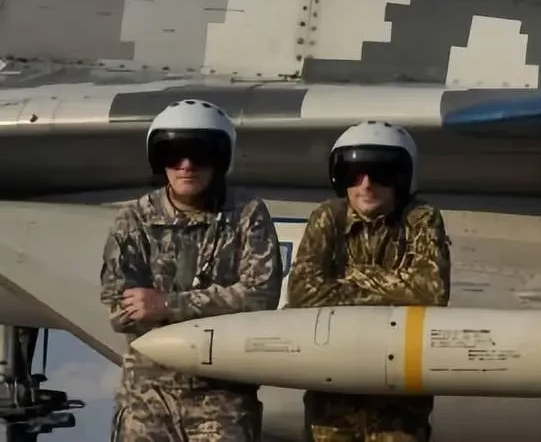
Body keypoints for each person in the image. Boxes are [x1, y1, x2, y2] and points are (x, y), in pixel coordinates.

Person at [99, 99, 283, 441]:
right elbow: (120, 312)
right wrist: (219, 306)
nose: (186, 166)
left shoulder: (247, 215)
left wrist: (168, 304)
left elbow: (260, 296)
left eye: (200, 155)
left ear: (220, 160)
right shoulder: (134, 220)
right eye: (174, 155)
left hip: (222, 399)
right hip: (147, 401)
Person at [287, 121, 451, 442]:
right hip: (332, 396)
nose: (366, 185)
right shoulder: (328, 217)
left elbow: (430, 289)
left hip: (398, 402)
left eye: (381, 174)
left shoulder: (421, 218)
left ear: (401, 179)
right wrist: (394, 288)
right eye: (353, 174)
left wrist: (346, 276)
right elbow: (302, 292)